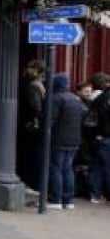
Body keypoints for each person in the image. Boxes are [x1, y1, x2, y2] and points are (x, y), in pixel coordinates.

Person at [48, 73, 86, 209]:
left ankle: (56, 199)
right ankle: (69, 200)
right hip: (74, 139)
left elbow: (49, 120)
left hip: (59, 139)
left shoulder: (56, 99)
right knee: (68, 169)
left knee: (56, 168)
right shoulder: (76, 99)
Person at [18, 59, 47, 190]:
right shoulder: (40, 84)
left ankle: (32, 182)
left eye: (30, 67)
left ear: (36, 70)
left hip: (31, 126)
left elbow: (36, 107)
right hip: (36, 125)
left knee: (31, 155)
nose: (27, 70)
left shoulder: (33, 86)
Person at [87, 73, 110, 203]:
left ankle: (94, 194)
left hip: (98, 137)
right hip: (107, 137)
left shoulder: (98, 99)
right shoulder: (104, 98)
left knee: (97, 167)